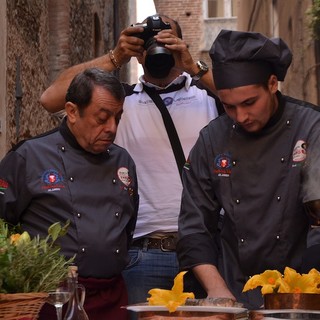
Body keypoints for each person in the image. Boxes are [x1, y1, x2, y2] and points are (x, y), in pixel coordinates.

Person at [40, 14, 223, 312]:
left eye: (167, 41)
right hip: (143, 253)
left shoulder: (209, 97)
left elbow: (245, 99)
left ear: (182, 45)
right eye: (150, 43)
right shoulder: (120, 106)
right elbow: (50, 99)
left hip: (206, 251)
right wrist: (117, 56)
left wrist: (192, 65)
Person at [177, 29, 320, 310]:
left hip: (304, 289)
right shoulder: (212, 139)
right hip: (234, 290)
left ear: (271, 83)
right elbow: (194, 228)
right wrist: (218, 291)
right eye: (229, 107)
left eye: (249, 103)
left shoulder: (311, 127)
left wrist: (305, 292)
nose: (241, 117)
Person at [0, 68, 139, 320]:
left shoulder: (123, 161)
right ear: (73, 112)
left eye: (117, 118)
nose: (111, 128)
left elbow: (127, 228)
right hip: (52, 300)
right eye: (102, 118)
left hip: (112, 297)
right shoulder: (29, 156)